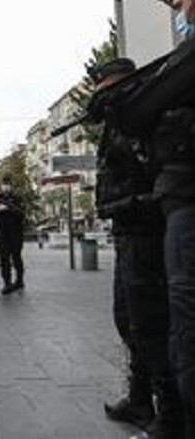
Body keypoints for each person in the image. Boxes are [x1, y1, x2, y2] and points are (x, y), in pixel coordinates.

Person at [117, 0, 195, 438]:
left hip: (184, 203)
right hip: (170, 203)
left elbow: (140, 110)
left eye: (182, 3)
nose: (180, 15)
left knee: (183, 324)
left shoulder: (185, 62)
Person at [90, 58, 183, 437]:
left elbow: (150, 173)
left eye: (102, 84)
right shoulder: (120, 119)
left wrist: (133, 203)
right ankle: (140, 397)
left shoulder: (141, 118)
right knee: (128, 319)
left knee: (150, 324)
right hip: (126, 229)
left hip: (145, 232)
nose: (98, 92)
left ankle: (171, 415)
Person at [0, 175, 26, 295]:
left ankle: (19, 281)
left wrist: (7, 207)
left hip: (16, 233)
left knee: (16, 257)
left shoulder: (17, 198)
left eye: (8, 184)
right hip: (2, 233)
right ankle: (7, 283)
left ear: (11, 185)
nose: (6, 186)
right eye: (4, 184)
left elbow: (21, 213)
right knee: (4, 259)